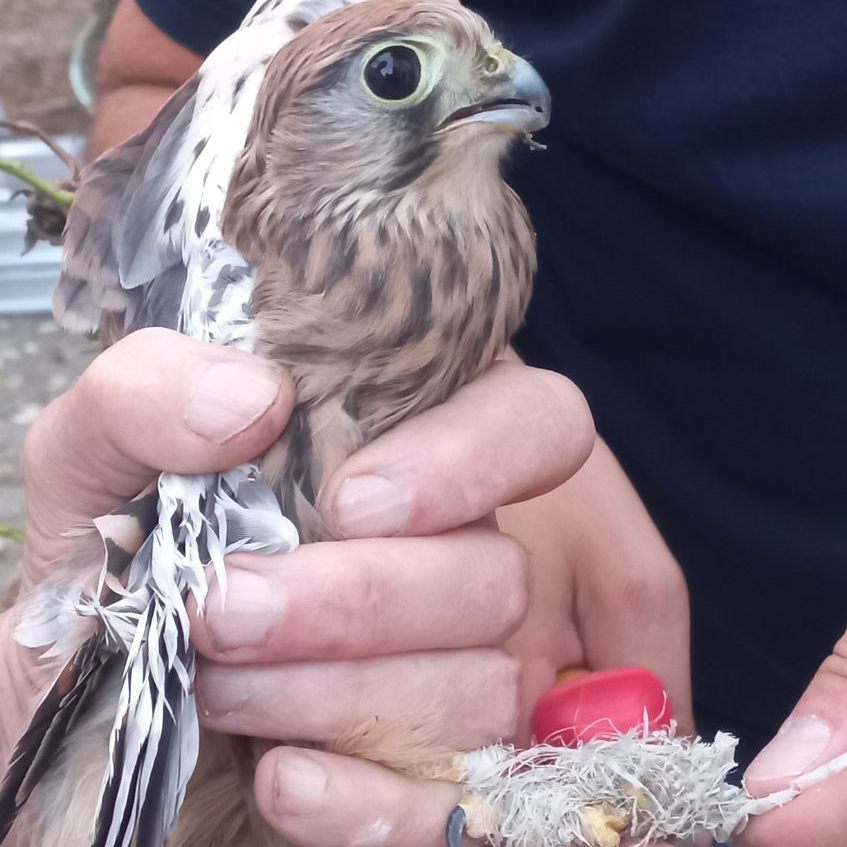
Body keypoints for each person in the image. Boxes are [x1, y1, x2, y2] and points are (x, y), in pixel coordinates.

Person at [2, 0, 846, 845]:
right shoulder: (250, 332)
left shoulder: (487, 235)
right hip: (524, 668)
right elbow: (156, 77)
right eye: (398, 76)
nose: (513, 77)